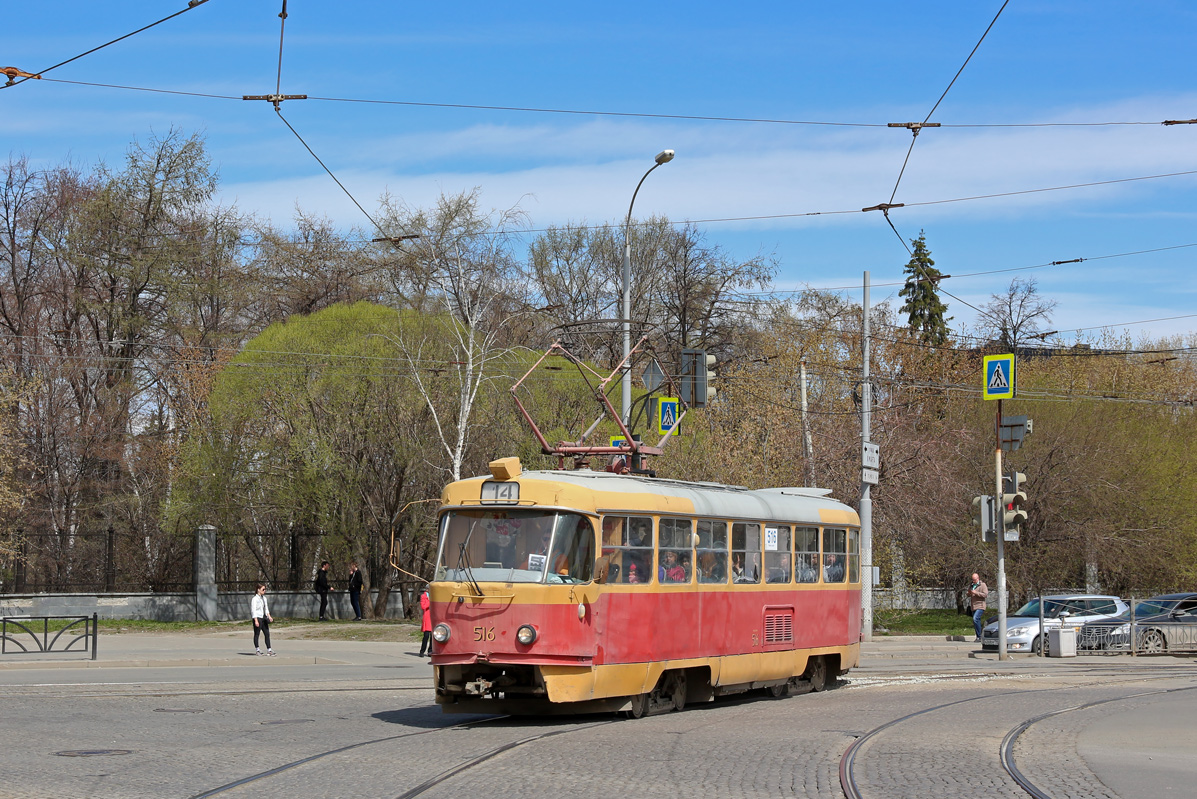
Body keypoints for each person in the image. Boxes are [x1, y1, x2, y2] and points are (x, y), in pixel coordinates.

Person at [250, 582, 275, 656]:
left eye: (265, 589)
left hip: (263, 618)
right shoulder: (254, 599)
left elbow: (266, 608)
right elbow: (253, 610)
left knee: (267, 633)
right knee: (257, 634)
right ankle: (257, 649)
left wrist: (269, 616)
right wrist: (256, 620)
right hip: (257, 617)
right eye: (263, 589)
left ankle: (269, 650)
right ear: (258, 590)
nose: (264, 591)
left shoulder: (264, 598)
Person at [967, 573, 989, 642]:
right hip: (973, 606)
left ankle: (979, 636)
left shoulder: (982, 585)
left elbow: (985, 594)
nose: (974, 581)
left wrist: (976, 593)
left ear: (978, 578)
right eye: (973, 580)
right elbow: (968, 594)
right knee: (976, 621)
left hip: (980, 605)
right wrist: (969, 593)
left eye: (975, 580)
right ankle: (978, 636)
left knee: (975, 618)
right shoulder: (972, 585)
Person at [417, 585, 432, 657]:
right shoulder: (423, 596)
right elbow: (423, 606)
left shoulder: (435, 596)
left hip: (433, 617)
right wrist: (430, 601)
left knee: (433, 636)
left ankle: (430, 651)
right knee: (426, 635)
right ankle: (422, 651)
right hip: (427, 617)